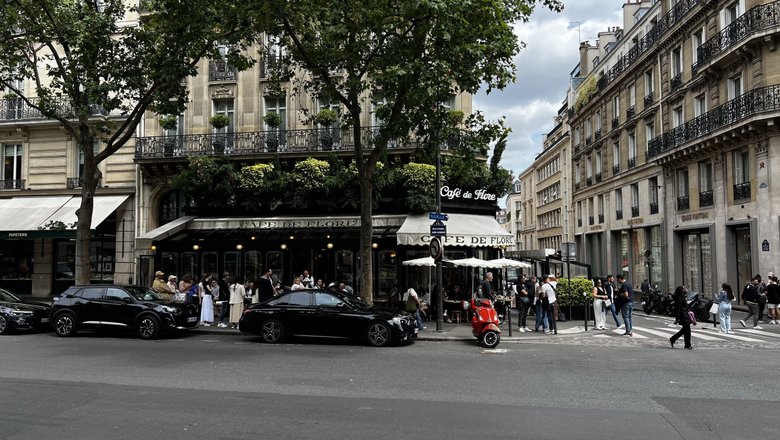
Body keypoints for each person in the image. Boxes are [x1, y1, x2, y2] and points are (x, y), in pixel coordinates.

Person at [669, 285, 693, 350]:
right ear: (681, 290)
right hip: (683, 315)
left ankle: (673, 339)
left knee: (685, 330)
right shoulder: (679, 298)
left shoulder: (681, 296)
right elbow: (677, 309)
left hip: (685, 314)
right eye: (684, 288)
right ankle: (687, 345)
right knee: (687, 330)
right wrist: (677, 318)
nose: (685, 289)